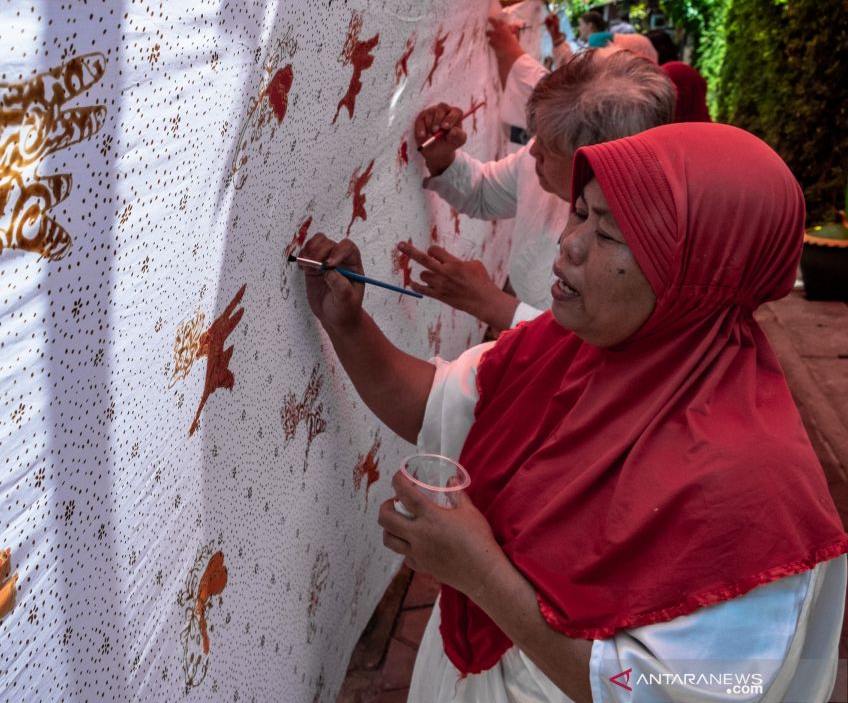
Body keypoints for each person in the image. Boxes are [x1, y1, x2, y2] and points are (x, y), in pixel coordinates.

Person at [300, 122, 848, 702]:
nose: (571, 243)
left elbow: (678, 690)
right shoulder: (566, 347)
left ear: (697, 273)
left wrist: (481, 575)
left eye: (610, 234)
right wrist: (349, 323)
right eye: (580, 211)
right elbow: (433, 404)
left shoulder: (754, 494)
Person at [407, 48, 674, 331]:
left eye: (548, 147)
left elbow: (589, 348)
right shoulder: (540, 165)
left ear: (597, 166)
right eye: (536, 137)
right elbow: (484, 193)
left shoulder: (638, 249)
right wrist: (443, 157)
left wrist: (488, 302)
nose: (532, 151)